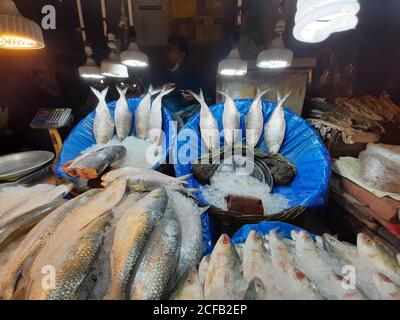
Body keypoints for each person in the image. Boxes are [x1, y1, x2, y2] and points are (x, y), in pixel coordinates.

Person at [151, 35, 202, 121]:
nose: (167, 52)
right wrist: (160, 89)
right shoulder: (157, 72)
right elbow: (147, 94)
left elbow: (202, 97)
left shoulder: (192, 75)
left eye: (171, 49)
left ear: (182, 55)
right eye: (166, 49)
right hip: (162, 115)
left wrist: (193, 97)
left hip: (186, 114)